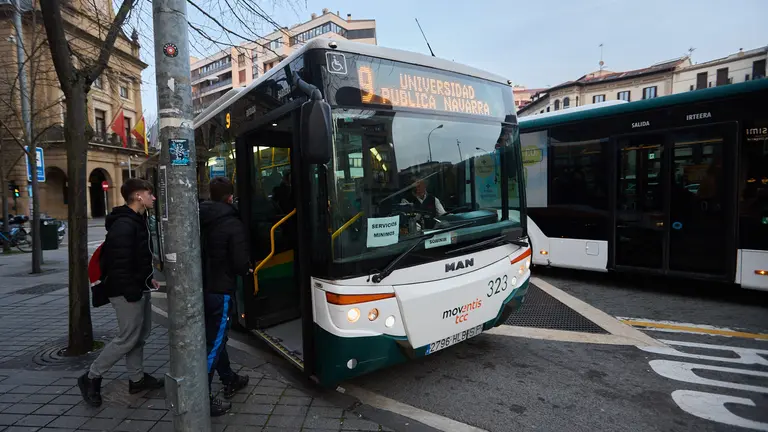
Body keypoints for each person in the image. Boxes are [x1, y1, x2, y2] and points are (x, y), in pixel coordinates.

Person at [78, 179, 163, 407]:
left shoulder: (137, 220)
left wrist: (148, 278)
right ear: (138, 196)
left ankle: (137, 379)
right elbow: (119, 264)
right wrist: (132, 291)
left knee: (140, 336)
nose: (153, 198)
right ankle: (91, 377)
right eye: (149, 193)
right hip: (126, 292)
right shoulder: (124, 225)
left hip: (137, 286)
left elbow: (135, 258)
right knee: (127, 338)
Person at [199, 177, 251, 416]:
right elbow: (240, 262)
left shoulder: (199, 216)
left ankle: (229, 377)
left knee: (217, 339)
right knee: (215, 343)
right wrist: (247, 268)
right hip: (221, 290)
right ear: (230, 197)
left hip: (203, 287)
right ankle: (202, 397)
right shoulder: (232, 222)